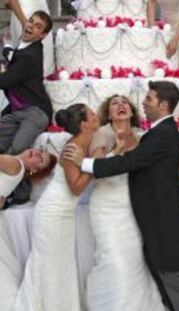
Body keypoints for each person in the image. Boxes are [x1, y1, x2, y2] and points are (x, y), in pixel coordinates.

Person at [63, 81, 179, 311]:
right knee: (167, 282)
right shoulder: (157, 132)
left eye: (149, 99)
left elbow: (131, 162)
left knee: (178, 281)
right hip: (143, 217)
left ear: (163, 105)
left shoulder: (162, 133)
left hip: (164, 220)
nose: (144, 103)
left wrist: (84, 163)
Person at [14, 104, 100, 311]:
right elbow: (77, 188)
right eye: (92, 114)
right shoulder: (73, 149)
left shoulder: (86, 142)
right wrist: (93, 163)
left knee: (61, 265)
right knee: (49, 265)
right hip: (52, 214)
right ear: (84, 124)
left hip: (63, 214)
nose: (97, 116)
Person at [86, 95, 165, 311]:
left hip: (134, 205)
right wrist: (119, 149)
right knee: (116, 260)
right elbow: (97, 171)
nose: (120, 105)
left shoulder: (143, 137)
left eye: (124, 102)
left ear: (132, 111)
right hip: (107, 206)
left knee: (134, 260)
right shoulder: (103, 133)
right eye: (114, 103)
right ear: (108, 113)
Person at [0, 148, 56, 310]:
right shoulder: (14, 166)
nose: (38, 154)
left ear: (33, 170)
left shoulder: (15, 164)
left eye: (40, 160)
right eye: (41, 152)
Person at [0, 10, 53, 154]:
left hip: (35, 112)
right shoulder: (27, 47)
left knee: (17, 148)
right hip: (17, 110)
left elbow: (4, 81)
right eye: (31, 21)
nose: (30, 26)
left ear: (43, 35)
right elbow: (14, 55)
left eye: (38, 26)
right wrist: (6, 48)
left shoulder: (31, 56)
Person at [7, 0, 55, 76]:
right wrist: (24, 22)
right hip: (24, 13)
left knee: (46, 59)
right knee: (24, 58)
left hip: (42, 11)